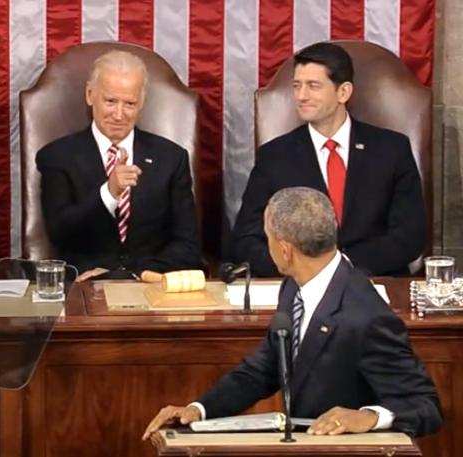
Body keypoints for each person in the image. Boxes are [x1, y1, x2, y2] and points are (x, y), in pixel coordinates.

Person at [144, 187, 442, 440]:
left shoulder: (366, 317)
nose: (266, 246)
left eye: (267, 237)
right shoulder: (292, 287)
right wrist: (198, 410)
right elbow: (266, 367)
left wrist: (368, 417)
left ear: (285, 250)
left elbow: (425, 406)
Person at [231, 42, 426, 277]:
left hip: (373, 281)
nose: (301, 96)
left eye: (313, 86)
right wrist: (301, 268)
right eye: (297, 86)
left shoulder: (392, 149)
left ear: (343, 92)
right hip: (298, 285)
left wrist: (340, 266)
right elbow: (245, 240)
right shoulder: (274, 156)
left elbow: (409, 236)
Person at [36, 50, 203, 280]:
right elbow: (61, 233)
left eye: (130, 104)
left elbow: (187, 245)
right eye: (110, 101)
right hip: (85, 289)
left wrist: (130, 275)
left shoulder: (171, 158)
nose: (119, 114)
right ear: (90, 94)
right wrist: (109, 193)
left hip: (149, 288)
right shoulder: (57, 157)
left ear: (142, 102)